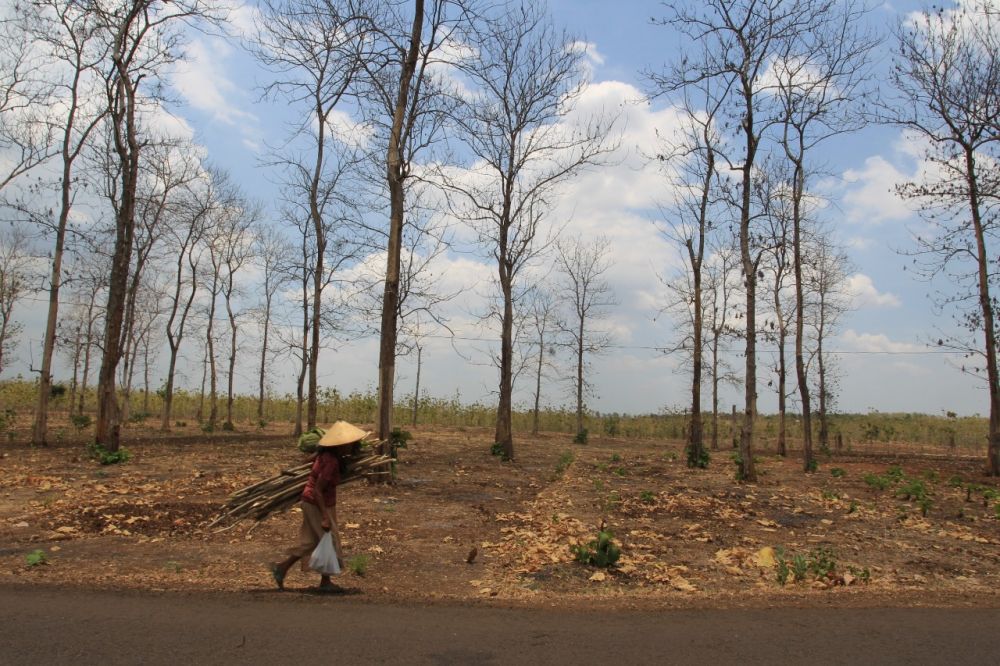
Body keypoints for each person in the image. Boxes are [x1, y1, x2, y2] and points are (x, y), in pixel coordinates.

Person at [270, 421, 369, 592]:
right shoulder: (331, 462)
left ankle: (281, 569)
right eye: (349, 444)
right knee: (329, 539)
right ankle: (325, 582)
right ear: (340, 445)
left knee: (310, 543)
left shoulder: (326, 455)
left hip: (314, 502)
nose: (352, 446)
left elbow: (307, 463)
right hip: (316, 503)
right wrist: (324, 516)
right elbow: (317, 490)